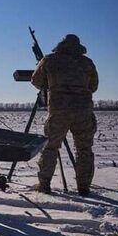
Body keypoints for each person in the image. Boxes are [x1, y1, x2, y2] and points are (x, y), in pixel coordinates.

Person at [31, 34, 98, 196]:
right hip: (83, 111)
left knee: (50, 147)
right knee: (84, 149)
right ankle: (84, 187)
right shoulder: (87, 62)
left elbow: (36, 81)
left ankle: (44, 184)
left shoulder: (49, 60)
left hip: (59, 111)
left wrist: (51, 81)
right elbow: (93, 86)